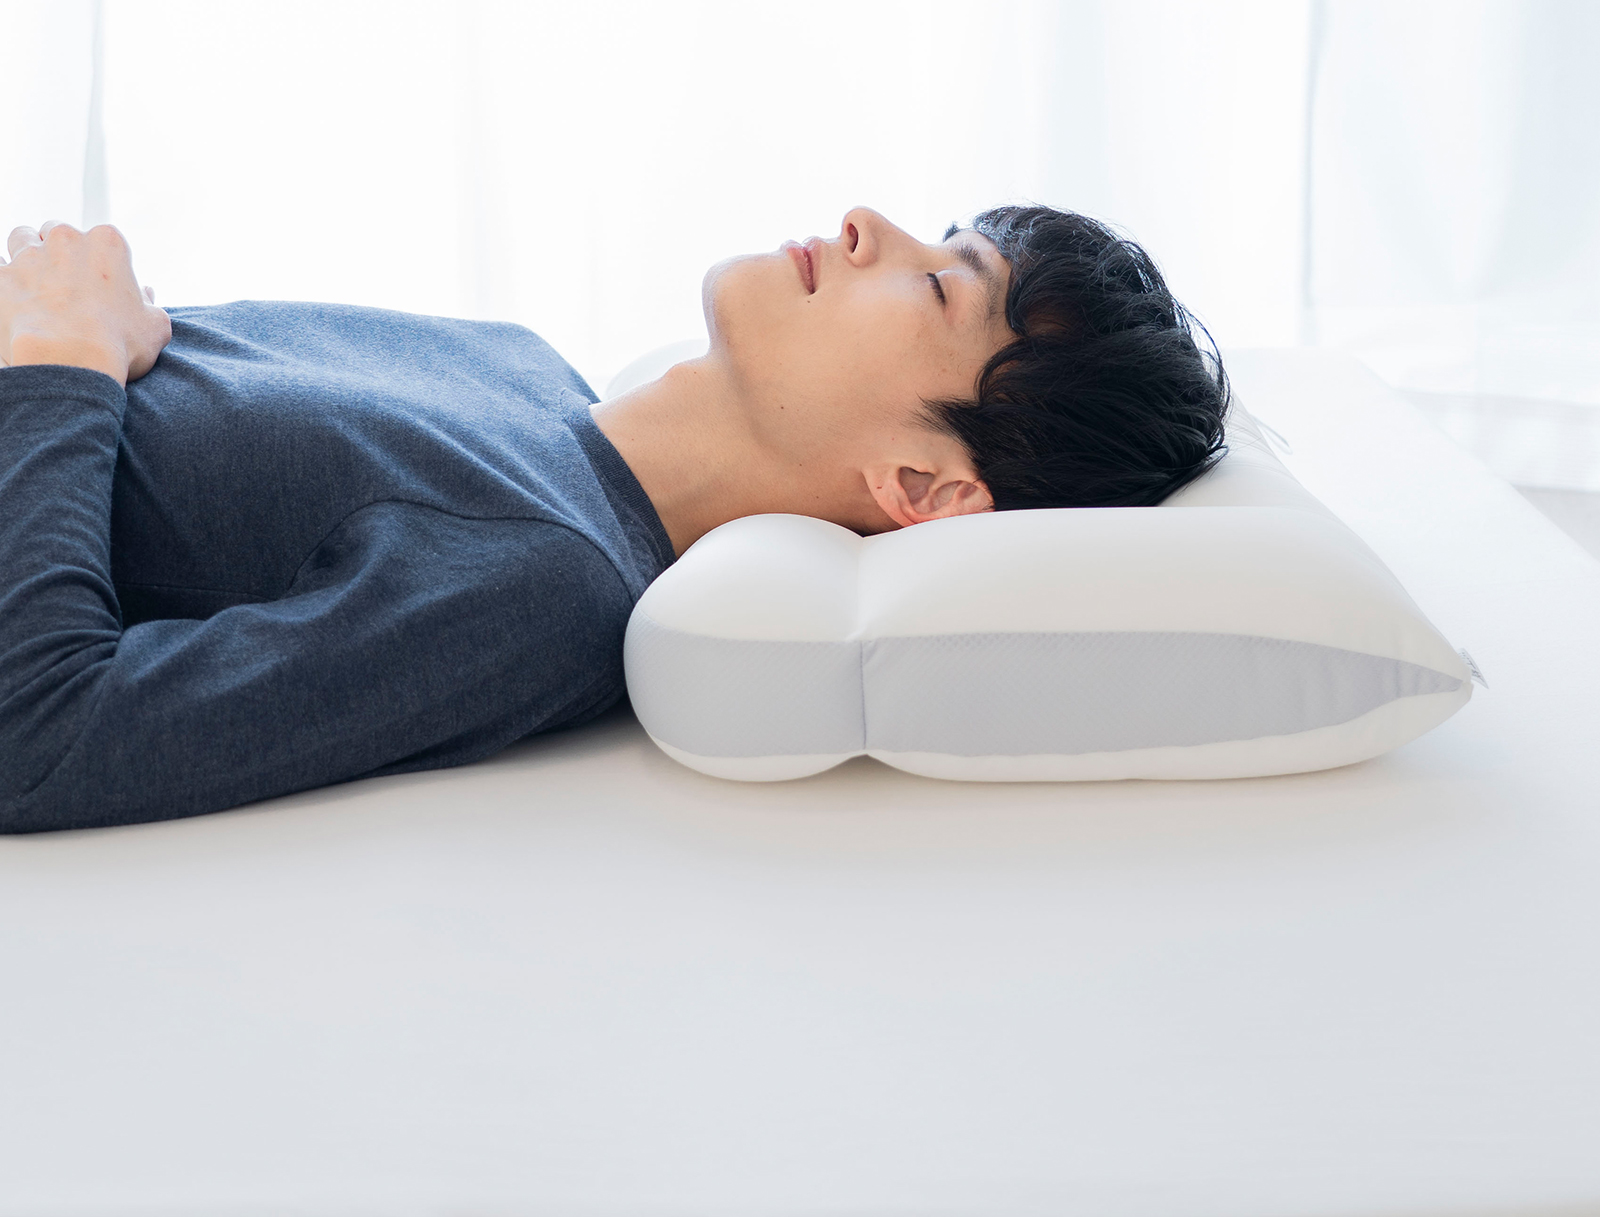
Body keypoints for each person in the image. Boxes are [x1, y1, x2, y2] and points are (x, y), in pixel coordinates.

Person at [0, 205, 1227, 833]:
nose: (864, 222)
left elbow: (42, 737)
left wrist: (59, 358)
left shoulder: (541, 579)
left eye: (939, 283)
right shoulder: (519, 363)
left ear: (924, 486)